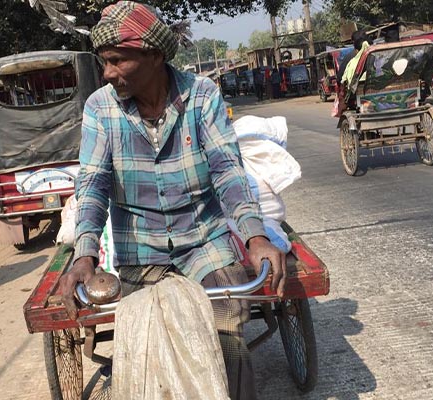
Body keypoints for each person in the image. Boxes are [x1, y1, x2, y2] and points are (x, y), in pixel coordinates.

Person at [57, 2, 287, 399]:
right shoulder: (100, 108)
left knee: (227, 327)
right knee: (144, 340)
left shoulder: (202, 97)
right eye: (104, 62)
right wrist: (84, 256)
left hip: (204, 242)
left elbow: (228, 172)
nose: (108, 73)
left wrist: (256, 238)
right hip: (140, 250)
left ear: (155, 56)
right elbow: (93, 185)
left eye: (116, 61)